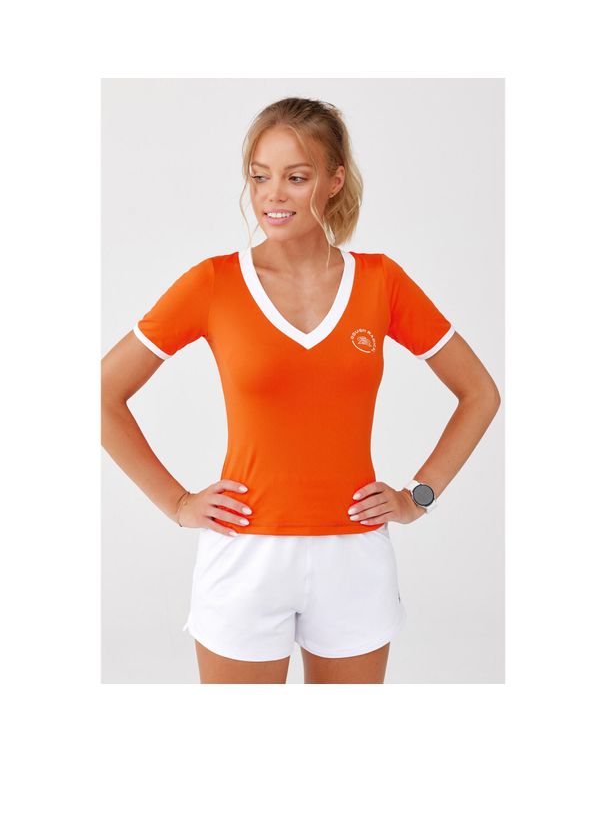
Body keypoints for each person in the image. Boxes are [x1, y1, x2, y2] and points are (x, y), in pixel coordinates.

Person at [101, 96, 501, 684]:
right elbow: (102, 395)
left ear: (334, 181)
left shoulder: (381, 281)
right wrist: (178, 503)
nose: (273, 195)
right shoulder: (212, 283)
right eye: (259, 176)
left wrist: (419, 496)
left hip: (355, 555)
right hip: (244, 552)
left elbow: (480, 393)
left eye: (296, 177)